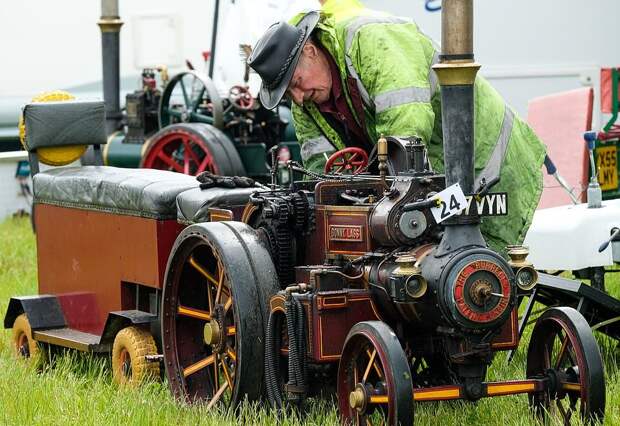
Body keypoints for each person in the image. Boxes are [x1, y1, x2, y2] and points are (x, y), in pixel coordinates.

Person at [247, 0, 546, 253]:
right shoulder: (307, 99)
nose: (297, 98)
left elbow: (406, 137)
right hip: (433, 181)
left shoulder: (375, 41)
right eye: (288, 95)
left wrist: (377, 204)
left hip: (486, 170)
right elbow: (323, 173)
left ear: (310, 51)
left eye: (296, 83)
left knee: (471, 281)